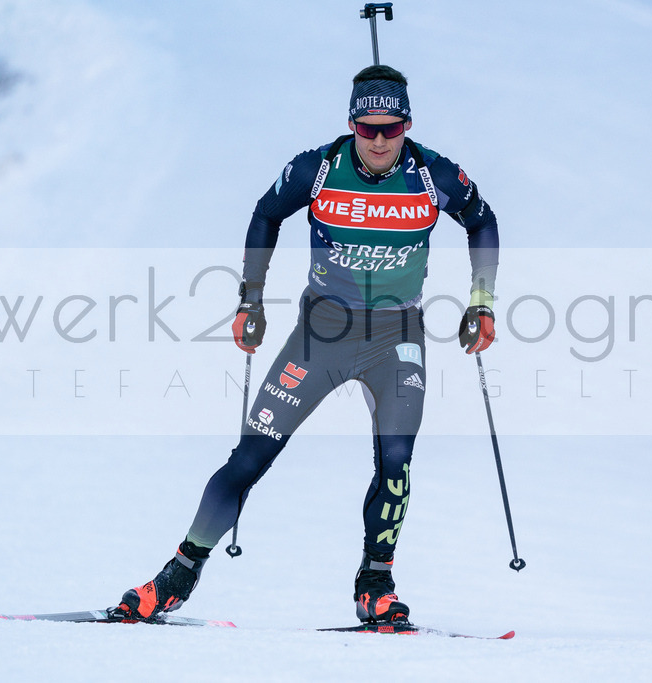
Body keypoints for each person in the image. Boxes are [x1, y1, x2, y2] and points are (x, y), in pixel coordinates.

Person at [112, 65, 499, 625]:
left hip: (398, 337)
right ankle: (175, 577)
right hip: (323, 333)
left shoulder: (434, 174)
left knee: (396, 461)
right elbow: (266, 214)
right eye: (367, 129)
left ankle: (376, 583)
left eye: (391, 128)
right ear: (351, 124)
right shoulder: (317, 168)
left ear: (408, 125)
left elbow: (482, 222)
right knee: (251, 456)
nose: (379, 140)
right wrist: (251, 300)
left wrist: (481, 300)